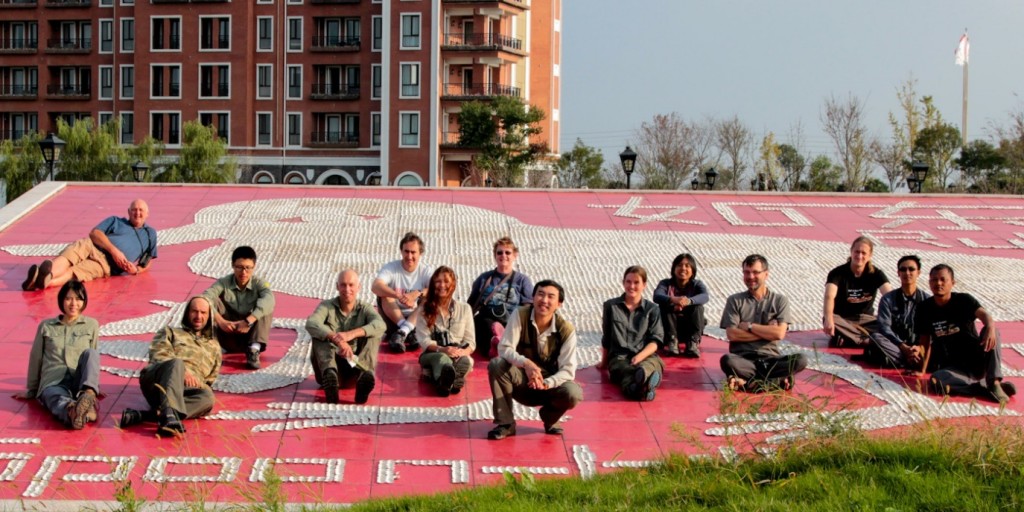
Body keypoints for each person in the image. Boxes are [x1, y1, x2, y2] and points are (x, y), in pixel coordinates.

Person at [487, 280, 582, 440]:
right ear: (533, 297)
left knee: (573, 393)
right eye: (540, 294)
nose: (544, 300)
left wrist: (546, 383)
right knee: (497, 364)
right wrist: (527, 364)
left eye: (551, 297)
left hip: (550, 387)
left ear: (559, 304)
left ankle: (550, 418)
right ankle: (506, 423)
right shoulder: (520, 314)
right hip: (522, 381)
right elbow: (504, 348)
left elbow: (568, 370)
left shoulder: (566, 330)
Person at [119, 296, 221, 437]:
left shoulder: (214, 347)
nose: (198, 316)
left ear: (209, 316)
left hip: (184, 391)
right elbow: (158, 356)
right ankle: (168, 414)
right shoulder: (170, 332)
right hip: (158, 382)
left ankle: (154, 415)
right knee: (176, 363)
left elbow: (210, 380)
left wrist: (200, 384)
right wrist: (183, 372)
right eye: (194, 311)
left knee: (208, 397)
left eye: (203, 313)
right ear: (187, 313)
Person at [914, 264, 1015, 403]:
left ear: (952, 283)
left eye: (943, 279)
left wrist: (990, 326)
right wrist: (922, 369)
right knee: (936, 380)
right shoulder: (924, 308)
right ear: (929, 282)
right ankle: (983, 388)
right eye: (934, 280)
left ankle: (995, 382)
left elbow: (984, 315)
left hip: (978, 360)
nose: (938, 283)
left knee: (993, 331)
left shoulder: (964, 300)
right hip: (955, 368)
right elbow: (924, 341)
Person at [16, 281, 100, 430]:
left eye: (78, 299)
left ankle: (88, 396)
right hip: (54, 380)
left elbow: (92, 359)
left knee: (91, 353)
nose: (73, 303)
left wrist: (92, 385)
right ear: (61, 301)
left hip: (78, 379)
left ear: (84, 301)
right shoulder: (46, 326)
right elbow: (36, 358)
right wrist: (32, 390)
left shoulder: (91, 325)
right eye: (68, 299)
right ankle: (73, 411)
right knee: (54, 397)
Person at [23, 199, 158, 291]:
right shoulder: (116, 221)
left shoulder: (150, 234)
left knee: (75, 273)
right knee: (69, 257)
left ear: (147, 214)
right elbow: (95, 233)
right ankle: (48, 273)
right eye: (134, 210)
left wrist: (136, 270)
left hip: (106, 265)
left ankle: (40, 282)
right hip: (91, 246)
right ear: (128, 212)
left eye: (141, 210)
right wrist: (114, 251)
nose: (137, 213)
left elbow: (148, 259)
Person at [720, 254, 808, 393]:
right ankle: (774, 381)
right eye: (747, 272)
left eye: (755, 272)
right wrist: (767, 332)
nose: (751, 277)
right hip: (743, 359)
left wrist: (750, 327)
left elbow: (779, 334)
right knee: (727, 361)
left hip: (771, 359)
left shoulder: (780, 301)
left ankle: (749, 381)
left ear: (766, 274)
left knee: (800, 360)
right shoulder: (735, 300)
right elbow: (732, 334)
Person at [306, 269, 385, 405]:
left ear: (359, 287)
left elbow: (380, 325)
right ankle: (330, 379)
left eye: (351, 285)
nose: (347, 289)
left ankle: (365, 376)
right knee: (320, 334)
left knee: (373, 335)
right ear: (337, 286)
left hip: (356, 367)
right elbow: (311, 323)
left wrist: (351, 334)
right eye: (343, 285)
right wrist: (337, 339)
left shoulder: (365, 308)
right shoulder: (326, 306)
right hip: (331, 366)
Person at [202, 246, 275, 369]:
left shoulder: (260, 283)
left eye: (248, 268)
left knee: (266, 305)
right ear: (232, 265)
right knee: (207, 302)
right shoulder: (223, 282)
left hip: (250, 334)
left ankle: (254, 350)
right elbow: (205, 297)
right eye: (239, 267)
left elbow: (269, 299)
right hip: (227, 332)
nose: (244, 272)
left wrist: (248, 321)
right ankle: (207, 346)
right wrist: (221, 321)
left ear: (254, 267)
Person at [601, 266, 664, 401]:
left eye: (636, 283)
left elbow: (656, 340)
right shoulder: (611, 306)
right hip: (620, 358)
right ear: (623, 283)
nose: (632, 286)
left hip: (645, 355)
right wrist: (604, 363)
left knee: (651, 364)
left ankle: (639, 382)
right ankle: (645, 387)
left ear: (644, 285)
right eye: (628, 282)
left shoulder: (652, 309)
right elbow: (606, 337)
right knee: (624, 371)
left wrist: (640, 357)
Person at [467, 237, 534, 359]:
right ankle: (497, 344)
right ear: (495, 255)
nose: (503, 255)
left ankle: (499, 342)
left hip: (511, 321)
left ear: (515, 255)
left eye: (507, 252)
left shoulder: (523, 281)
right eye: (499, 252)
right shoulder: (485, 279)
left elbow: (527, 308)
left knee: (512, 325)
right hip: (487, 321)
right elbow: (471, 305)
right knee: (481, 321)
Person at [822, 236, 892, 347]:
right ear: (851, 252)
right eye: (857, 252)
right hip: (844, 319)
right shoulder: (837, 273)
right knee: (829, 318)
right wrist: (829, 319)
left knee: (889, 324)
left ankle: (851, 336)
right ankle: (863, 339)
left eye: (864, 253)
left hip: (867, 320)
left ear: (870, 256)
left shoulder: (876, 274)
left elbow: (889, 296)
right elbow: (829, 296)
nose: (859, 256)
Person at [416, 267, 475, 396]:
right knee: (443, 359)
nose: (442, 285)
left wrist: (462, 352)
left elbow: (470, 341)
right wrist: (443, 350)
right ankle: (445, 380)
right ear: (432, 284)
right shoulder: (424, 309)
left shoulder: (465, 309)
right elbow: (424, 340)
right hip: (434, 352)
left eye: (446, 281)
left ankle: (446, 383)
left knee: (467, 361)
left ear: (453, 285)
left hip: (457, 352)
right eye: (438, 281)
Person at [372, 232, 433, 353]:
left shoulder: (426, 270)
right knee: (385, 294)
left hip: (415, 318)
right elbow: (375, 286)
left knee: (429, 299)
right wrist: (398, 295)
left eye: (413, 252)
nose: (409, 256)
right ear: (401, 251)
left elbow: (437, 290)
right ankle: (407, 331)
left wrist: (417, 293)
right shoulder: (391, 267)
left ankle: (402, 332)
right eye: (406, 251)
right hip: (393, 318)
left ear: (420, 253)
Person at [866, 255, 930, 368]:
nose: (907, 272)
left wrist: (919, 348)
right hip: (897, 347)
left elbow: (932, 332)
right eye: (903, 269)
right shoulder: (888, 299)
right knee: (876, 337)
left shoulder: (927, 301)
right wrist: (903, 346)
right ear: (898, 273)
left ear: (918, 272)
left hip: (920, 347)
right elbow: (884, 328)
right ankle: (910, 360)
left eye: (911, 269)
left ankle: (910, 358)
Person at [653, 253, 709, 358]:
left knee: (698, 307)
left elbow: (705, 296)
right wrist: (673, 300)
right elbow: (657, 296)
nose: (683, 268)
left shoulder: (697, 284)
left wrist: (688, 302)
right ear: (674, 268)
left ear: (693, 270)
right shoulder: (666, 283)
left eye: (687, 266)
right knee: (664, 306)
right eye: (679, 265)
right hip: (669, 328)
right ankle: (672, 342)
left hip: (689, 327)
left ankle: (692, 342)